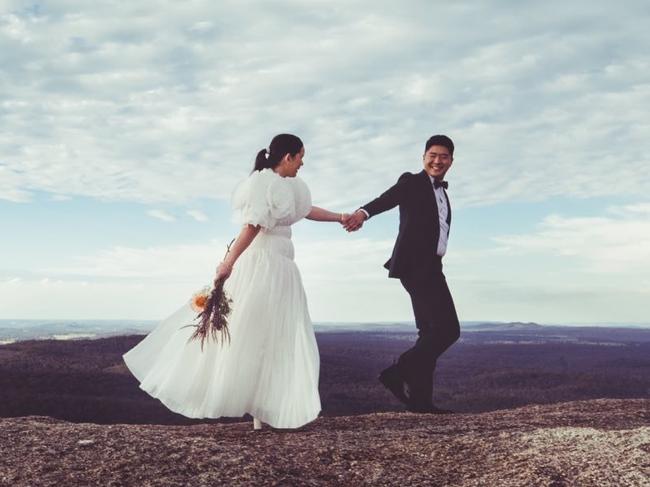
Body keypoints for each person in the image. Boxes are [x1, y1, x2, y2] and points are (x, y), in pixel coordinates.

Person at [123, 134, 348, 430]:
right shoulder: (264, 183)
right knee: (253, 333)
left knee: (275, 335)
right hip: (263, 265)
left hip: (282, 268)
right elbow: (251, 227)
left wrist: (342, 217)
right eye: (301, 156)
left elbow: (306, 211)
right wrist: (228, 262)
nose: (303, 162)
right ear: (288, 157)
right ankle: (254, 409)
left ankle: (264, 408)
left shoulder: (288, 185)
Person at [343, 134, 460, 414]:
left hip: (432, 266)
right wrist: (363, 213)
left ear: (451, 161)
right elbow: (389, 198)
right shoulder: (412, 182)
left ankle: (420, 400)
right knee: (449, 330)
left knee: (430, 332)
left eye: (444, 156)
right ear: (423, 158)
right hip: (417, 265)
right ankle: (398, 372)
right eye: (432, 155)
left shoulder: (442, 193)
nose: (437, 160)